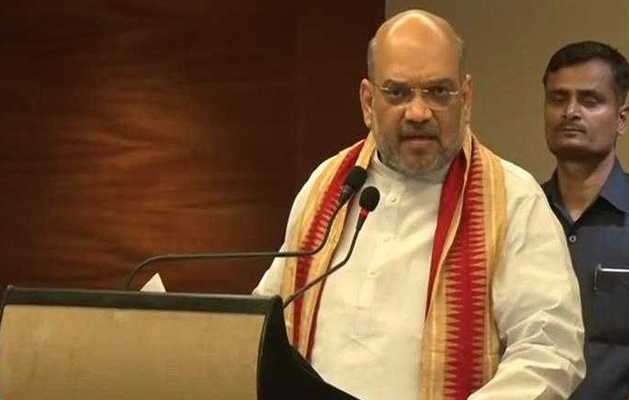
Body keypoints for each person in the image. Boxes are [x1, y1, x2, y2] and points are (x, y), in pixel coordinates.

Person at [255, 10, 585, 400]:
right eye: (397, 92)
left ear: (466, 99)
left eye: (438, 92)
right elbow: (267, 320)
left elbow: (550, 350)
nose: (418, 112)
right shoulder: (329, 185)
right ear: (368, 101)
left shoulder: (514, 198)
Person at [542, 41, 629, 400]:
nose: (570, 112)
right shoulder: (518, 213)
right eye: (558, 98)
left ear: (622, 119)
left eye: (590, 100)